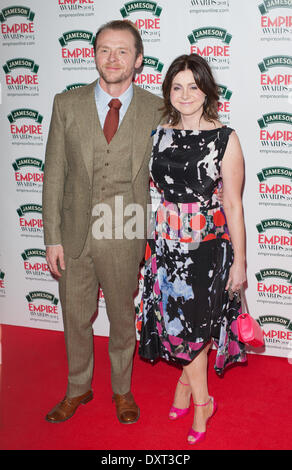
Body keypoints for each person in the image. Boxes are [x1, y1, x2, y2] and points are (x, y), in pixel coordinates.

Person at [42, 20, 162, 424]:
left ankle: (122, 390)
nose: (112, 58)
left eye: (122, 51)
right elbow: (54, 173)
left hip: (125, 231)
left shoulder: (158, 108)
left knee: (122, 317)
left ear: (138, 59)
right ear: (93, 54)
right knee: (74, 315)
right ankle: (78, 388)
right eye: (104, 50)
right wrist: (51, 237)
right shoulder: (66, 103)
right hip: (74, 233)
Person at [139, 53, 247, 444]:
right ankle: (185, 387)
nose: (185, 94)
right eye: (177, 87)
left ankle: (203, 403)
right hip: (166, 245)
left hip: (206, 249)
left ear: (206, 91)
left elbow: (233, 204)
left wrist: (240, 262)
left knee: (193, 328)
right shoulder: (160, 134)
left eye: (193, 86)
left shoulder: (224, 138)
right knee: (174, 323)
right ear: (169, 92)